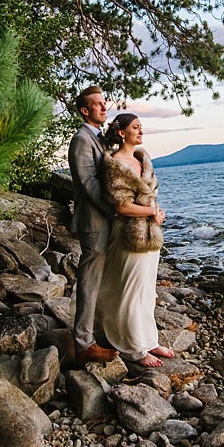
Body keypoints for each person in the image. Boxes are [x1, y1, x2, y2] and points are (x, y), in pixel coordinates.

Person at [97, 113, 175, 368]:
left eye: (141, 127)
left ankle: (149, 339)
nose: (140, 132)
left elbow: (149, 199)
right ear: (122, 133)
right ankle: (133, 349)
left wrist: (157, 215)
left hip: (151, 234)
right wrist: (151, 212)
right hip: (129, 235)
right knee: (130, 292)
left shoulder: (142, 159)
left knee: (147, 291)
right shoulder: (115, 163)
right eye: (135, 127)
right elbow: (121, 207)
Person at [68, 86, 119, 364]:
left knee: (100, 279)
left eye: (104, 103)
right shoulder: (81, 140)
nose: (104, 107)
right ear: (84, 111)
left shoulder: (98, 138)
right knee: (89, 280)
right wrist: (116, 210)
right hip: (93, 221)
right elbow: (88, 184)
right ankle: (83, 343)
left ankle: (96, 333)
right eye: (97, 104)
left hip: (103, 220)